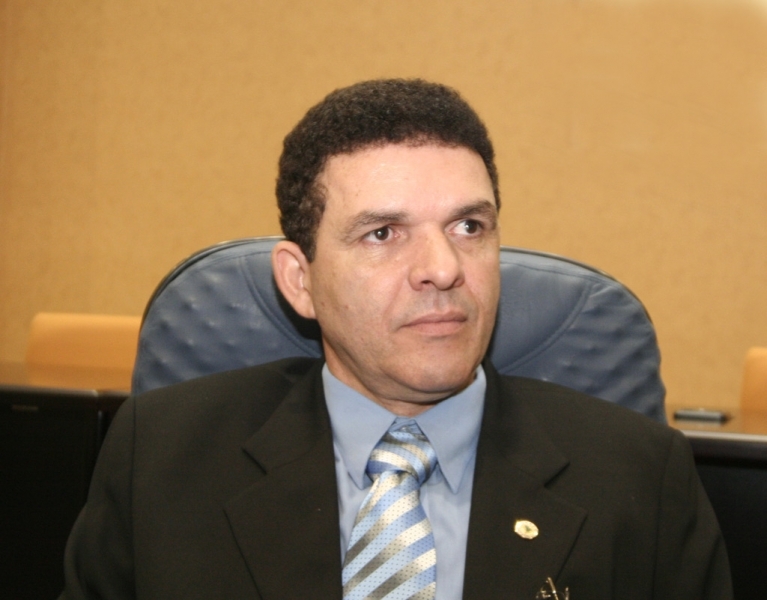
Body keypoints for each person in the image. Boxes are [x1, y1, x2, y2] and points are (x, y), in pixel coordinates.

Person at [59, 79, 731, 599]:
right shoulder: (160, 459)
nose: (442, 268)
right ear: (299, 281)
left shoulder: (642, 478)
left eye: (469, 227)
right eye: (382, 233)